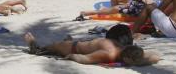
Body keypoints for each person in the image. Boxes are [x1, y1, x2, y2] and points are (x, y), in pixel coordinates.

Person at [24, 24, 159, 66]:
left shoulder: (120, 49)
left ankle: (37, 47)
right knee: (53, 47)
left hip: (78, 45)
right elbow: (84, 59)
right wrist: (70, 56)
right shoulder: (112, 53)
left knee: (56, 46)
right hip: (75, 46)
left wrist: (70, 56)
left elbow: (156, 56)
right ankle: (36, 47)